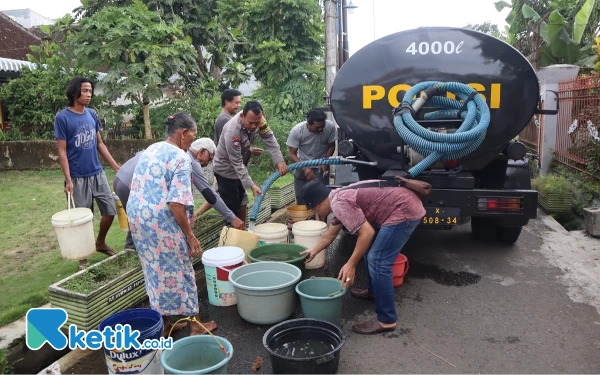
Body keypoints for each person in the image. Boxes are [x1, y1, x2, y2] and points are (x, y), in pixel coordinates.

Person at [126, 113, 217, 338]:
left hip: (138, 218)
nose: (191, 143)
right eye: (191, 136)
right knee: (182, 268)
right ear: (183, 133)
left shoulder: (151, 148)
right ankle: (194, 324)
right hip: (161, 221)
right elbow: (176, 203)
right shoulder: (181, 158)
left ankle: (164, 323)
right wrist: (190, 235)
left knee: (153, 270)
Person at [299, 177, 427, 335]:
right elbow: (329, 235)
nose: (316, 213)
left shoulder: (339, 203)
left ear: (317, 204)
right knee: (368, 250)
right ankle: (374, 291)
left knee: (378, 260)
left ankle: (386, 319)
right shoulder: (337, 197)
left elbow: (367, 232)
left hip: (404, 209)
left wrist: (351, 263)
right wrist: (314, 250)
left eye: (314, 210)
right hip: (402, 204)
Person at [113, 138, 245, 250]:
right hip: (131, 183)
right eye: (209, 158)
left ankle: (131, 250)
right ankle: (144, 252)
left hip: (120, 178)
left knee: (136, 220)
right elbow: (209, 193)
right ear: (202, 152)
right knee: (147, 221)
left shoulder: (168, 147)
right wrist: (231, 217)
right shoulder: (188, 159)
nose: (208, 163)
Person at [54, 76, 121, 269]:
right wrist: (68, 180)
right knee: (83, 218)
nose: (89, 94)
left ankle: (100, 242)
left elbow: (100, 144)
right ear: (74, 93)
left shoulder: (91, 115)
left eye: (90, 91)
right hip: (77, 176)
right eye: (85, 91)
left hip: (97, 173)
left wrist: (116, 167)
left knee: (110, 210)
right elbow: (62, 151)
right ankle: (83, 258)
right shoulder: (62, 118)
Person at [212, 100, 288, 223]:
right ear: (242, 116)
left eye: (257, 123)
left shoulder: (260, 120)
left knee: (242, 201)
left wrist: (279, 160)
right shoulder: (233, 132)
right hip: (225, 170)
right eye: (251, 123)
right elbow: (236, 162)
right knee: (232, 207)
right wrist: (252, 185)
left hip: (240, 166)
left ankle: (243, 232)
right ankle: (231, 235)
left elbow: (269, 138)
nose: (254, 126)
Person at [286, 109, 337, 214]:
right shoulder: (297, 131)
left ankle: (322, 226)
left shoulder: (330, 127)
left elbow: (332, 145)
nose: (321, 129)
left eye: (322, 127)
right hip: (302, 166)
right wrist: (305, 168)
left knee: (322, 199)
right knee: (302, 198)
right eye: (317, 127)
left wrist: (325, 159)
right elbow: (292, 153)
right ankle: (306, 225)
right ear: (308, 124)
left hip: (321, 168)